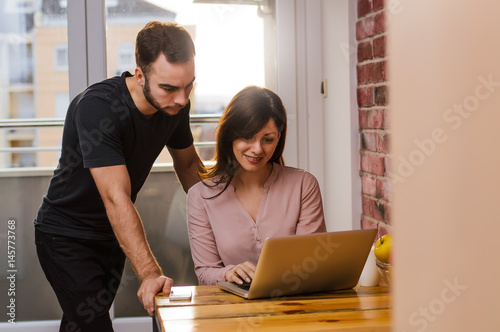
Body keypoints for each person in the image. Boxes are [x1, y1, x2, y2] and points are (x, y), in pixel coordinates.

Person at [34, 21, 202, 331]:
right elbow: (115, 197)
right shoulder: (99, 108)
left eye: (188, 85)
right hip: (66, 235)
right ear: (139, 75)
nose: (181, 99)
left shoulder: (175, 106)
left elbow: (190, 166)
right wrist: (150, 273)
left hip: (111, 237)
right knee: (93, 325)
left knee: (79, 323)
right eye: (169, 88)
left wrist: (227, 221)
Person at [187, 86, 327, 286]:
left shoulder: (304, 185)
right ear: (230, 136)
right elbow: (206, 272)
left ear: (278, 138)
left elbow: (312, 262)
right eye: (248, 137)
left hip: (292, 305)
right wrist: (228, 273)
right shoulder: (200, 196)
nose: (257, 149)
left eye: (267, 139)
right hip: (229, 311)